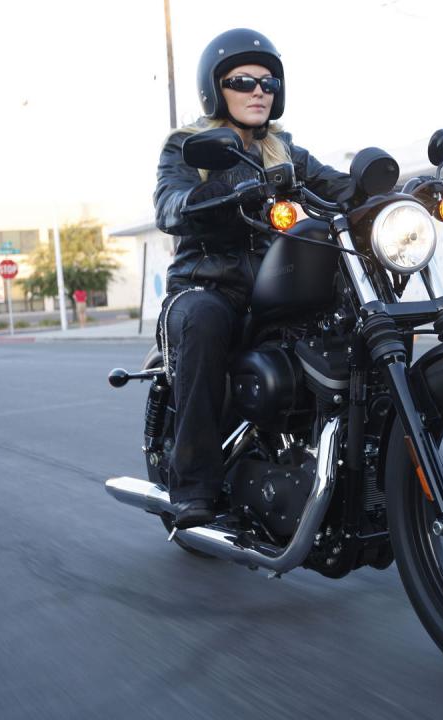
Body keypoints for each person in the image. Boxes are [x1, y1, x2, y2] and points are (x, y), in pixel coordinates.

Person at [154, 28, 353, 529]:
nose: (259, 91)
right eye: (243, 81)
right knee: (203, 320)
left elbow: (337, 186)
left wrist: (394, 190)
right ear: (215, 88)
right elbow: (170, 205)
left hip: (271, 290)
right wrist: (226, 189)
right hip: (206, 287)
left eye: (268, 82)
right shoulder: (188, 146)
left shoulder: (284, 152)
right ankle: (193, 484)